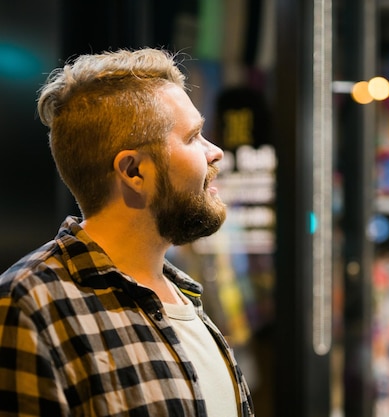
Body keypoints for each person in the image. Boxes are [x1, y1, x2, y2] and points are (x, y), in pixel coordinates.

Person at [0, 48, 255, 417]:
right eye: (193, 137)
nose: (215, 152)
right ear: (134, 171)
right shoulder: (29, 306)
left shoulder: (184, 296)